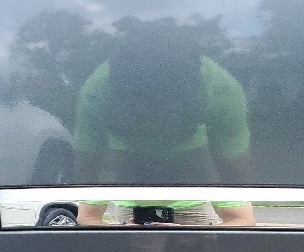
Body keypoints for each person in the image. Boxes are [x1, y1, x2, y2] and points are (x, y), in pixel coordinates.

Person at [73, 22, 256, 228]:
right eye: (145, 121)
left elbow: (242, 216)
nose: (154, 134)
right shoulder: (95, 94)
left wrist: (198, 237)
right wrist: (124, 237)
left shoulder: (221, 91)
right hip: (130, 179)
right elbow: (87, 214)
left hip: (192, 176)